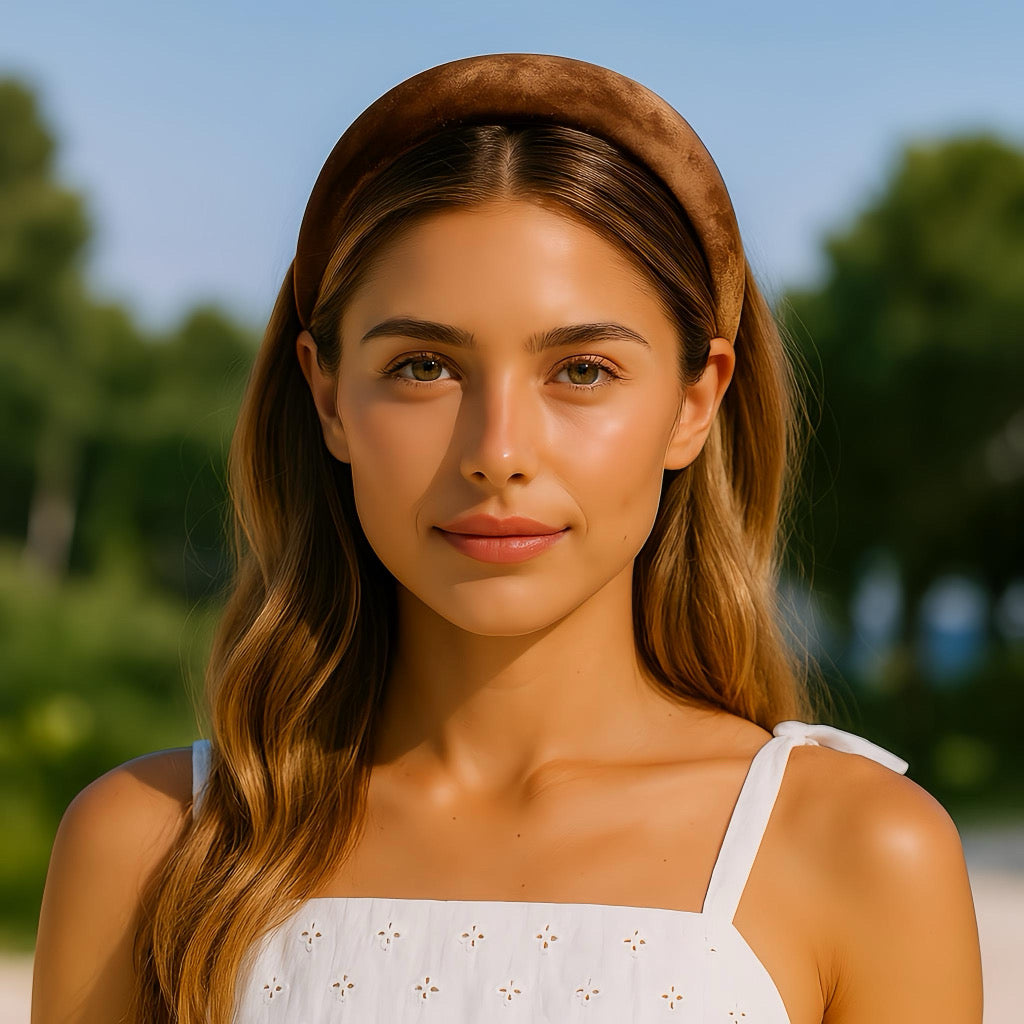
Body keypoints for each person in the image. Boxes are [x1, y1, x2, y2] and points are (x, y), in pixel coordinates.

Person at [31, 53, 982, 1024]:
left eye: (579, 370)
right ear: (327, 397)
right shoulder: (148, 846)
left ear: (695, 402)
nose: (497, 453)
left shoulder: (860, 847)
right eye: (422, 366)